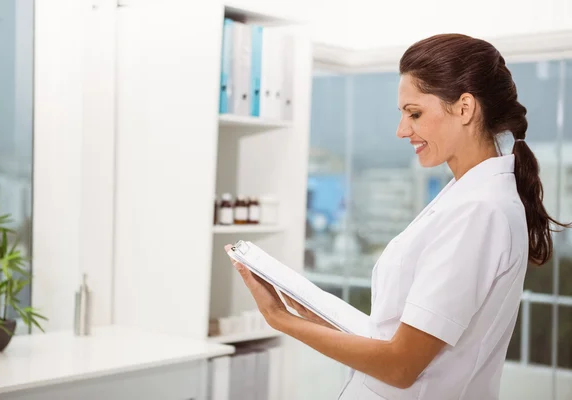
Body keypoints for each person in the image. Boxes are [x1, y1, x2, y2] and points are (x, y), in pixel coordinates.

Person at [225, 33, 570, 399]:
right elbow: (393, 335)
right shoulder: (466, 196)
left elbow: (401, 365)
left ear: (465, 108)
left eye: (415, 113)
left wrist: (281, 320)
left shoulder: (478, 211)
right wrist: (311, 310)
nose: (402, 130)